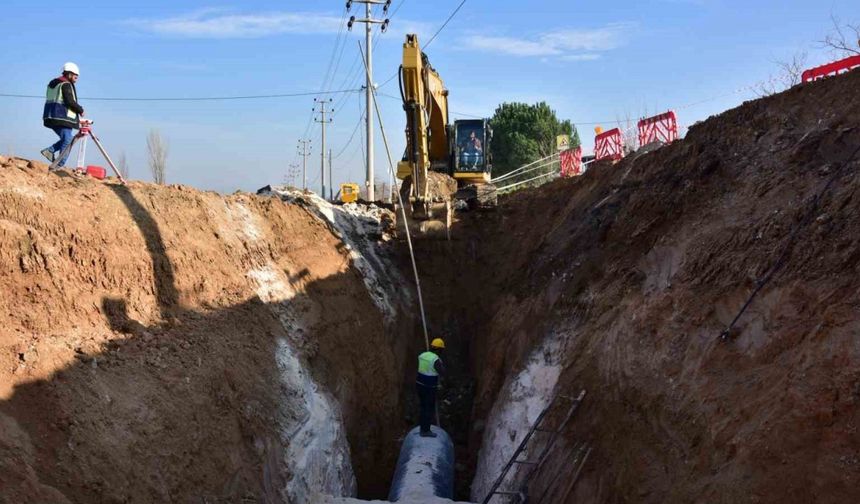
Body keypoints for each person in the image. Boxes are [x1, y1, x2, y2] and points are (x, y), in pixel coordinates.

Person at [41, 62, 84, 169]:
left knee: (67, 139)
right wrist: (80, 110)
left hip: (50, 116)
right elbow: (69, 101)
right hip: (62, 117)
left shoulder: (54, 84)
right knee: (68, 140)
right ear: (69, 74)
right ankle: (59, 164)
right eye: (75, 75)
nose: (76, 78)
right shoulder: (66, 84)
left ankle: (50, 150)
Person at [416, 338, 446, 437]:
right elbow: (442, 372)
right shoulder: (435, 359)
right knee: (428, 409)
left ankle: (422, 426)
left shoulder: (422, 355)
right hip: (429, 387)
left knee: (423, 407)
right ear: (439, 349)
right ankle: (425, 431)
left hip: (419, 385)